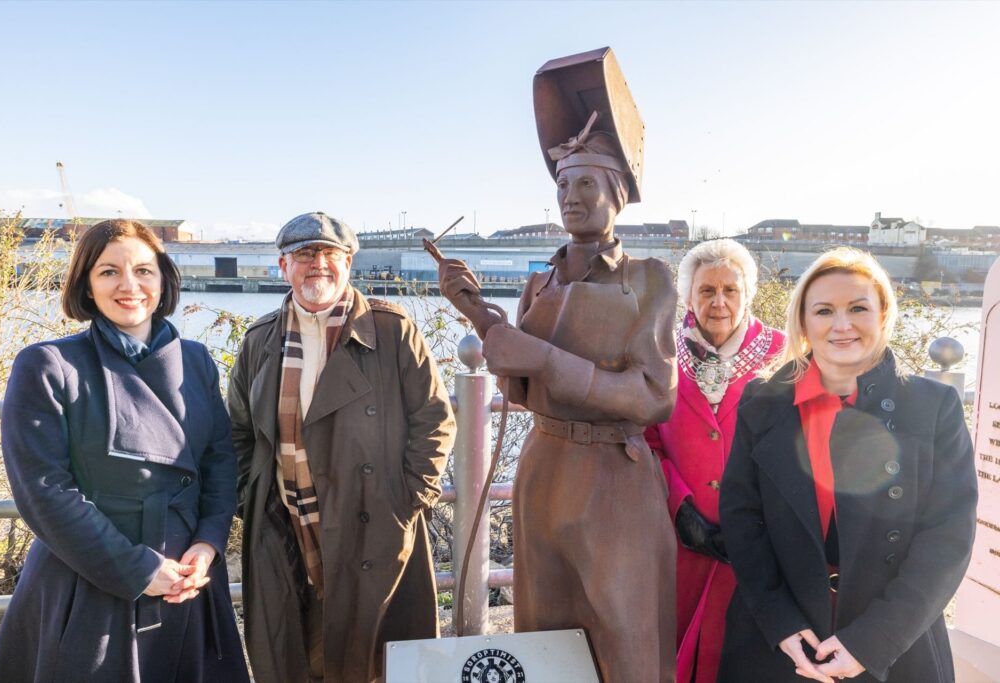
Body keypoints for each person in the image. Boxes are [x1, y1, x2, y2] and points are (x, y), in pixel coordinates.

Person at [440, 115, 678, 680]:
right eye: (563, 186)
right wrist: (476, 312)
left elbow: (652, 397)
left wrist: (548, 360)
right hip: (544, 470)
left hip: (614, 478)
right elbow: (520, 387)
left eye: (587, 184)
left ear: (617, 195)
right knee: (543, 633)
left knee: (627, 632)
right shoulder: (538, 283)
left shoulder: (649, 279)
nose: (571, 198)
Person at [0, 219, 248, 683]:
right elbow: (44, 491)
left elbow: (219, 462)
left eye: (144, 271)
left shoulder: (197, 360)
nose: (130, 286)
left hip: (187, 579)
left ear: (164, 279)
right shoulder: (49, 365)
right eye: (109, 272)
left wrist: (208, 545)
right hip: (92, 578)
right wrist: (139, 569)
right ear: (86, 285)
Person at [717, 247, 977, 682]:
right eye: (824, 310)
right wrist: (780, 622)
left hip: (896, 644)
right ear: (803, 322)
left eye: (858, 307)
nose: (841, 325)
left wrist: (872, 642)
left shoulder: (933, 407)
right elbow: (742, 519)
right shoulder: (762, 402)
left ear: (883, 314)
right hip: (779, 643)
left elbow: (948, 537)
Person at [229, 212, 456, 683]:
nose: (318, 265)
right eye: (305, 255)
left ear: (348, 262)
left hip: (375, 522)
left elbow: (434, 419)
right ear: (282, 265)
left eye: (330, 254)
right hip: (285, 523)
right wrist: (246, 500)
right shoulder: (260, 341)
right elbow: (237, 433)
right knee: (294, 648)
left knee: (374, 660)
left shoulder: (391, 331)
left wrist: (409, 498)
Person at [644, 238, 784, 683]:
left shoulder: (783, 359)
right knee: (672, 657)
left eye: (730, 290)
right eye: (706, 291)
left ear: (748, 295)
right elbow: (648, 440)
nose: (719, 302)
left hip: (759, 549)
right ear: (688, 297)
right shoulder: (662, 353)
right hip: (681, 544)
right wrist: (680, 507)